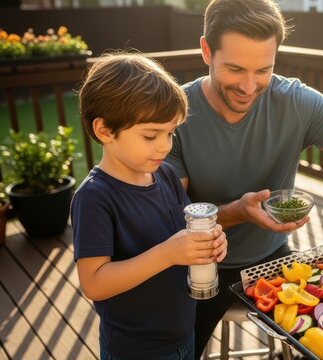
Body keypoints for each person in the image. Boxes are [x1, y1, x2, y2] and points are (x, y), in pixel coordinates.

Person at [164, 0, 323, 356]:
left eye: (264, 69)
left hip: (273, 258)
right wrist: (237, 212)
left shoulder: (296, 101)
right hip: (198, 266)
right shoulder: (175, 114)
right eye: (235, 69)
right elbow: (173, 220)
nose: (249, 86)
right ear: (206, 51)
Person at [72, 53, 228, 360]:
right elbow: (94, 282)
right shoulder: (95, 198)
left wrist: (208, 245)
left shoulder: (167, 175)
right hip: (136, 348)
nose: (165, 146)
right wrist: (168, 254)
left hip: (183, 331)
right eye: (150, 135)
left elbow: (183, 235)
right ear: (105, 131)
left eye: (170, 132)